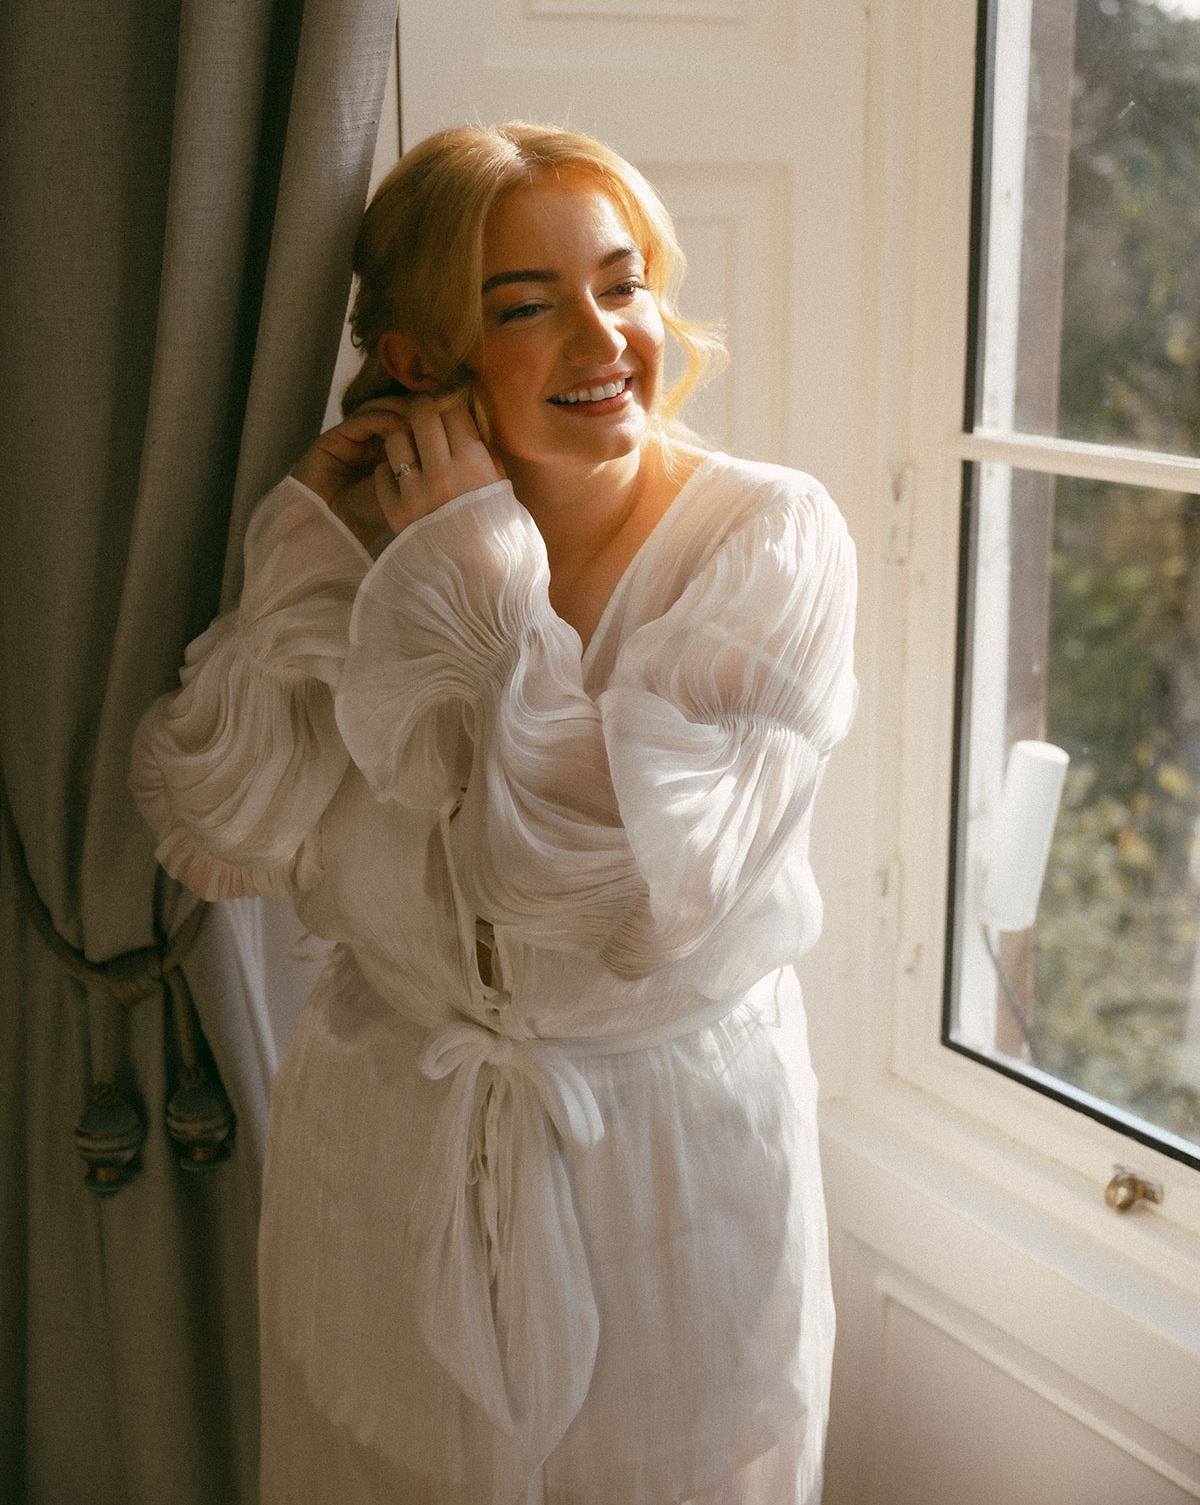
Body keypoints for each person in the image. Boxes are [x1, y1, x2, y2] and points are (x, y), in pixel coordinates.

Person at [131, 123, 858, 1505]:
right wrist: (302, 548)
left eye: (623, 282)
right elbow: (222, 823)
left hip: (664, 1166)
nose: (606, 337)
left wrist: (478, 587)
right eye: (527, 307)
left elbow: (623, 891)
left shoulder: (771, 539)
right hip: (386, 1146)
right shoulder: (367, 539)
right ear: (421, 359)